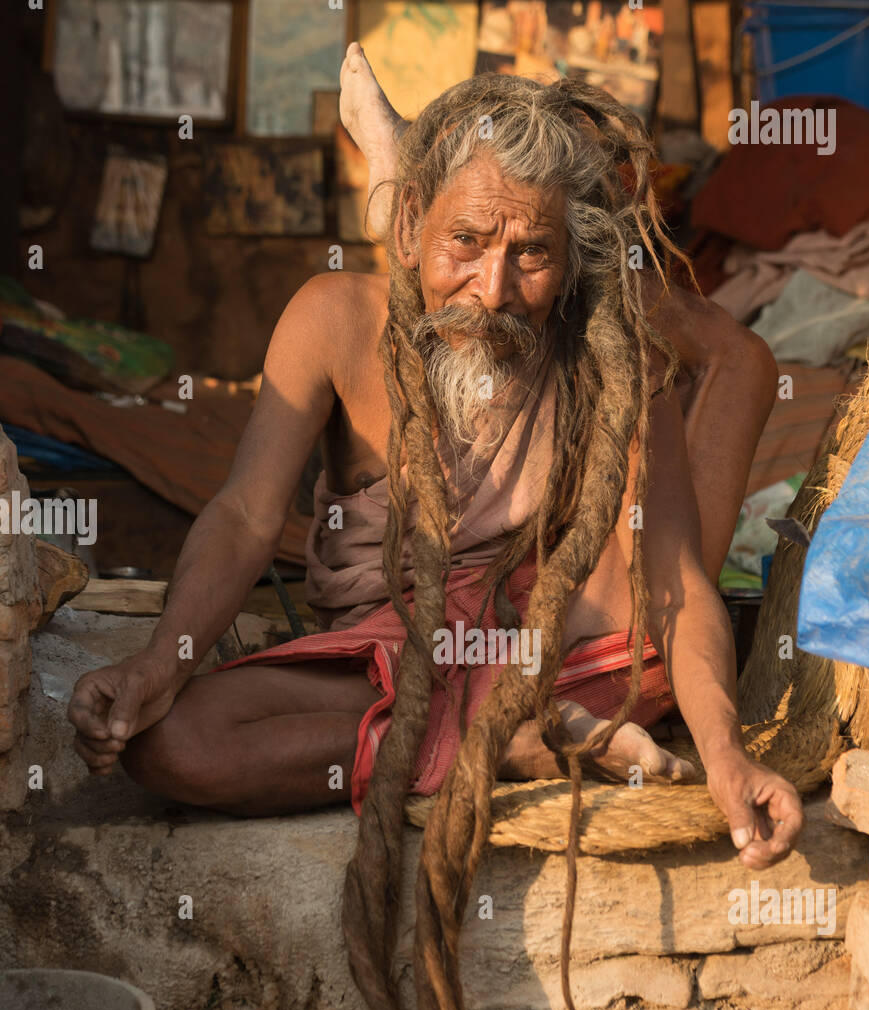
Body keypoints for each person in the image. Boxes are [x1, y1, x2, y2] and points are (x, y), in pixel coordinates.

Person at [68, 45, 803, 869]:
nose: (492, 290)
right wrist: (155, 667)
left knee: (659, 639)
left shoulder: (613, 359)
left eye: (532, 253)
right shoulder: (334, 319)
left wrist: (726, 756)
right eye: (466, 241)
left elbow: (677, 586)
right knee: (174, 747)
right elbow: (244, 515)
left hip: (555, 656)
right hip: (396, 655)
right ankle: (515, 747)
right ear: (411, 226)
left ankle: (502, 729)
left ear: (569, 265)